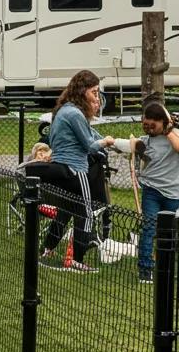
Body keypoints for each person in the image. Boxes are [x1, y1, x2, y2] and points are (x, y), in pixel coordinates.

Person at [39, 70, 114, 273]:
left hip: (61, 168)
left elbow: (90, 134)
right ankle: (77, 260)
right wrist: (106, 142)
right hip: (76, 169)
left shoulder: (64, 110)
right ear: (82, 91)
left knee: (64, 212)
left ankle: (46, 250)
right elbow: (90, 146)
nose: (96, 96)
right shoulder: (75, 114)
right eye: (94, 92)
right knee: (86, 214)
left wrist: (108, 141)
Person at [113, 101, 179, 284]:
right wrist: (110, 142)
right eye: (145, 124)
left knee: (171, 232)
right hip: (152, 192)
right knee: (149, 228)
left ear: (163, 122)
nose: (149, 129)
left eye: (153, 125)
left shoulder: (175, 135)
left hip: (174, 193)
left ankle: (167, 267)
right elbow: (129, 144)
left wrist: (168, 130)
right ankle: (145, 269)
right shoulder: (147, 140)